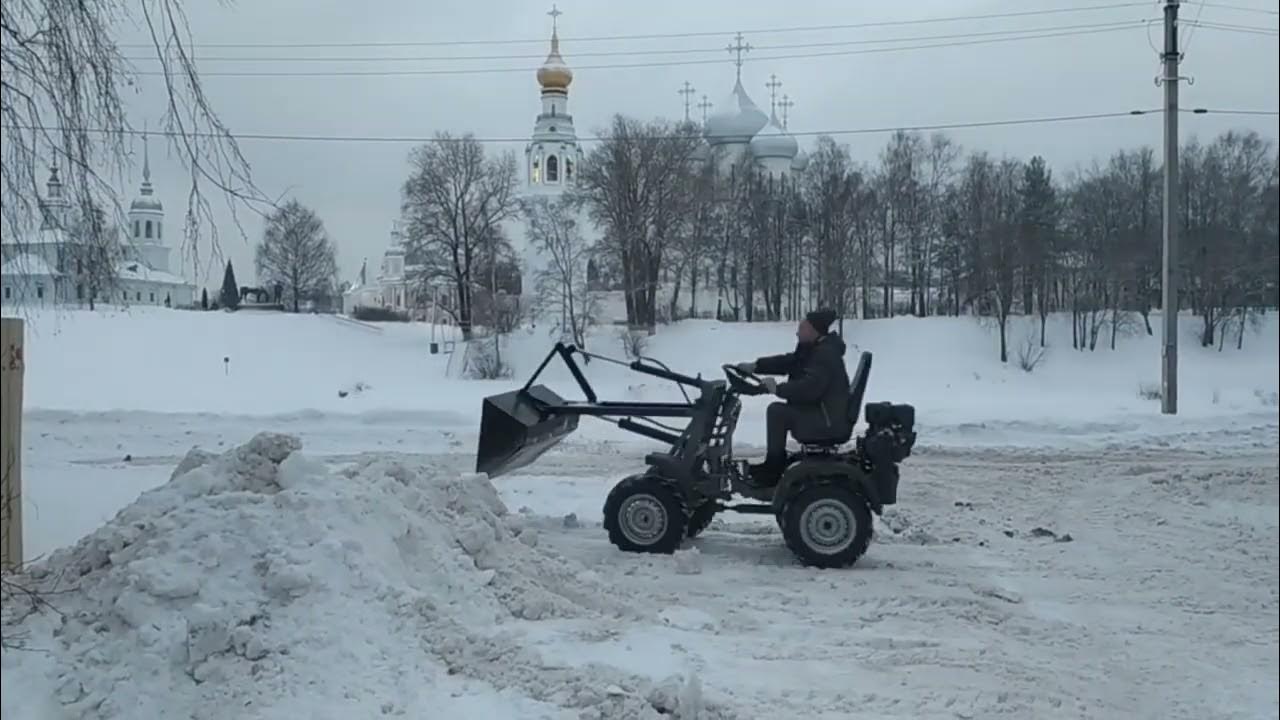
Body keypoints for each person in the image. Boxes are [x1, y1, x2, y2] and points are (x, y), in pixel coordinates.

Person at [735, 309, 850, 485]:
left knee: (777, 412)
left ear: (813, 330)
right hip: (824, 414)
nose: (797, 332)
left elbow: (810, 388)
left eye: (801, 328)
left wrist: (777, 389)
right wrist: (756, 366)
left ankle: (773, 470)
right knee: (778, 411)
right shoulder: (816, 349)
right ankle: (774, 465)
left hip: (827, 421)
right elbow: (790, 362)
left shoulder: (824, 354)